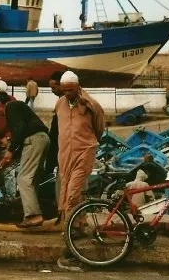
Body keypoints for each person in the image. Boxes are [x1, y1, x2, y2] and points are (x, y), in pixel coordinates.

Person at [55, 70, 105, 271]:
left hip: (84, 150)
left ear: (78, 87)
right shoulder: (59, 104)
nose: (67, 93)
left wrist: (91, 141)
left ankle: (71, 232)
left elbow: (99, 125)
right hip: (65, 153)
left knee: (73, 192)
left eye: (71, 90)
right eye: (64, 90)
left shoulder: (90, 104)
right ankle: (79, 224)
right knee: (66, 190)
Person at [0, 96, 50, 228]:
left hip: (33, 140)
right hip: (43, 139)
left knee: (23, 179)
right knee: (33, 179)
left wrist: (9, 152)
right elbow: (22, 132)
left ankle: (33, 216)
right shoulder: (21, 107)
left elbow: (19, 130)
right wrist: (13, 154)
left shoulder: (11, 107)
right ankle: (33, 213)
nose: (0, 113)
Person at [46, 71, 64, 177]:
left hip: (59, 140)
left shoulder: (65, 100)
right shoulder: (61, 99)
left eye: (54, 88)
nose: (53, 91)